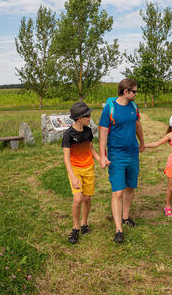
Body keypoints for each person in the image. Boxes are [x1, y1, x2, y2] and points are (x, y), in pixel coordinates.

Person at [99, 78, 145, 244]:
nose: (136, 94)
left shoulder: (134, 106)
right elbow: (103, 133)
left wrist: (142, 142)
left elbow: (137, 125)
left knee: (130, 187)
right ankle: (119, 229)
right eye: (134, 91)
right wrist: (103, 155)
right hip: (116, 155)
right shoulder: (110, 108)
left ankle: (126, 217)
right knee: (117, 192)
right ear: (126, 92)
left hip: (133, 153)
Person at [62, 101, 100, 244]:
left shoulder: (88, 131)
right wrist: (72, 177)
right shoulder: (68, 134)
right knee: (78, 199)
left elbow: (91, 149)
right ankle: (75, 227)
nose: (90, 118)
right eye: (87, 116)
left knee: (87, 199)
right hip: (76, 169)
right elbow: (66, 158)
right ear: (79, 118)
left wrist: (102, 159)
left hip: (89, 168)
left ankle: (84, 223)